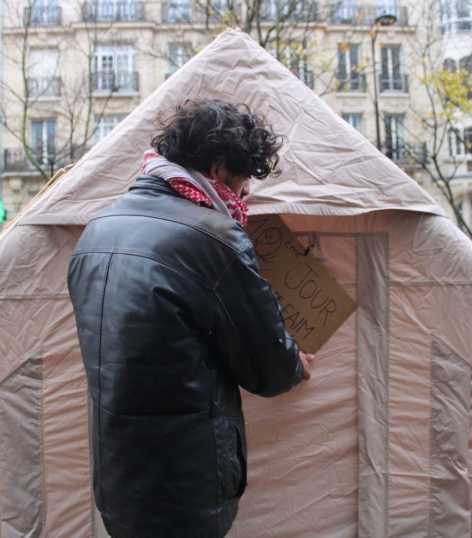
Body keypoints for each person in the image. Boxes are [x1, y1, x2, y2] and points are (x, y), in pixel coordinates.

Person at [67, 99, 315, 538]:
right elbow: (269, 369)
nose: (245, 197)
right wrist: (295, 363)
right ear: (218, 169)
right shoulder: (213, 237)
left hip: (117, 479)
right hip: (186, 489)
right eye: (243, 182)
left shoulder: (97, 229)